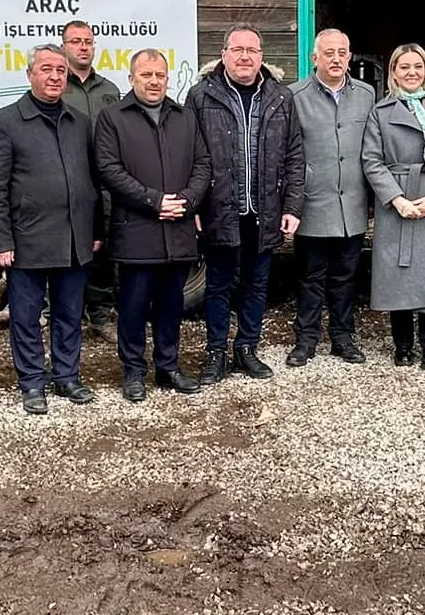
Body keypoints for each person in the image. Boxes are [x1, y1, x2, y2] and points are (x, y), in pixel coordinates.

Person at [0, 44, 101, 414]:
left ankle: (66, 376)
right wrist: (0, 241)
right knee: (26, 316)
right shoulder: (5, 121)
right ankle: (32, 382)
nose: (54, 77)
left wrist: (95, 229)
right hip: (27, 241)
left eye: (60, 70)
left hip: (73, 239)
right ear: (30, 73)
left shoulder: (79, 122)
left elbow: (92, 182)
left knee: (69, 313)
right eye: (46, 69)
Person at [187, 26, 303, 383]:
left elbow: (295, 154)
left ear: (261, 56)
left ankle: (247, 348)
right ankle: (216, 352)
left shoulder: (280, 97)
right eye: (237, 49)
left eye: (252, 50)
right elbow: (187, 154)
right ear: (223, 55)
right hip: (219, 209)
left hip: (266, 210)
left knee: (256, 284)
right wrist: (193, 205)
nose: (245, 57)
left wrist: (293, 206)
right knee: (218, 284)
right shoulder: (201, 96)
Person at [94, 48, 210, 402]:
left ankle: (168, 366)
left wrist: (187, 201)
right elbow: (108, 169)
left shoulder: (184, 117)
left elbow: (203, 163)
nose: (154, 81)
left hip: (178, 229)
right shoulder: (113, 118)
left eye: (160, 75)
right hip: (137, 230)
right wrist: (154, 200)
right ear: (131, 79)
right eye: (146, 75)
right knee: (133, 307)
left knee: (171, 305)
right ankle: (133, 371)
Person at [362, 43, 425, 368]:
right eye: (404, 67)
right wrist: (397, 200)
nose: (412, 73)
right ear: (394, 72)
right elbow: (372, 160)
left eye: (417, 67)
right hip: (398, 202)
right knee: (400, 277)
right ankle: (403, 346)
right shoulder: (380, 112)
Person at [287, 28, 373, 366]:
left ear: (350, 56)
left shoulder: (366, 95)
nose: (336, 59)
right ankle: (305, 340)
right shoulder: (294, 96)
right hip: (312, 202)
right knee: (310, 277)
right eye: (329, 53)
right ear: (315, 58)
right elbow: (289, 152)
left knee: (346, 277)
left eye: (342, 52)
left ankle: (342, 336)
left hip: (351, 203)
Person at [59, 20, 124, 333]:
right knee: (66, 249)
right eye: (76, 42)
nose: (83, 47)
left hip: (106, 183)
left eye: (88, 41)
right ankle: (62, 315)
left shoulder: (110, 90)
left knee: (104, 249)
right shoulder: (58, 86)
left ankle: (99, 313)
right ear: (64, 47)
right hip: (68, 182)